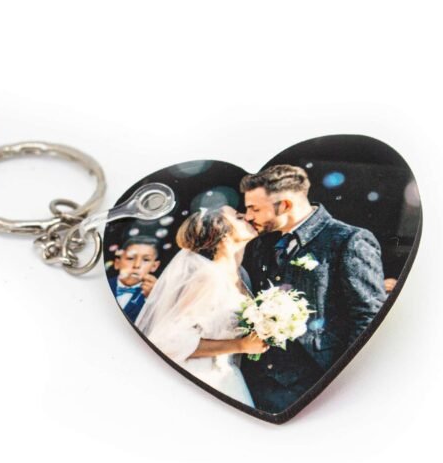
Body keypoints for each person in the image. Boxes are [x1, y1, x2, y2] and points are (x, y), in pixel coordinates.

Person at [240, 164, 387, 414]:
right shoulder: (261, 243)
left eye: (254, 208)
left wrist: (341, 381)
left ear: (285, 205)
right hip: (256, 379)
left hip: (315, 383)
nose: (248, 216)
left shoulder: (348, 240)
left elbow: (369, 317)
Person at [135, 206, 268, 406]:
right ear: (223, 234)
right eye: (239, 217)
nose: (247, 217)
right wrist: (240, 345)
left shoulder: (242, 275)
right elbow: (166, 341)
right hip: (199, 378)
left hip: (226, 376)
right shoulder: (209, 278)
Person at [108, 236, 161, 322]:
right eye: (130, 258)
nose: (137, 265)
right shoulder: (103, 286)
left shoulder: (156, 295)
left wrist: (152, 299)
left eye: (146, 259)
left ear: (154, 266)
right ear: (117, 263)